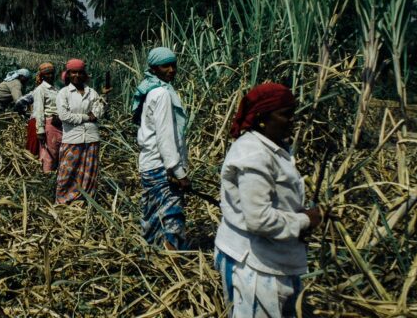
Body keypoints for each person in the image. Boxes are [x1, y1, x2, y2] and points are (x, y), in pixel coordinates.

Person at [214, 83, 322, 317]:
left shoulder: (271, 146)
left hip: (266, 257)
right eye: (285, 115)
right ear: (262, 118)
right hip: (254, 265)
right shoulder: (255, 155)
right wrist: (304, 220)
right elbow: (259, 220)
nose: (292, 121)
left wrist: (298, 219)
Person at [133, 47, 190, 250]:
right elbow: (165, 138)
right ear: (154, 68)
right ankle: (173, 263)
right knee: (171, 219)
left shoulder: (151, 91)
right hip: (162, 167)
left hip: (149, 164)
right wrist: (178, 171)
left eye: (174, 65)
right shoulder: (162, 94)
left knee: (153, 216)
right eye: (166, 66)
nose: (171, 70)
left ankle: (153, 256)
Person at [55, 59, 110, 204]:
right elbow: (64, 116)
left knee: (89, 173)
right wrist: (87, 116)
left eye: (80, 72)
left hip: (91, 137)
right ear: (68, 74)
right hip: (72, 137)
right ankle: (63, 201)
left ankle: (84, 201)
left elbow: (98, 113)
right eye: (73, 72)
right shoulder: (64, 93)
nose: (77, 75)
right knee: (67, 172)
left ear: (84, 74)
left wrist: (104, 97)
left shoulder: (92, 92)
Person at [0, 68, 31, 133]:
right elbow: (18, 100)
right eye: (26, 79)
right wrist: (25, 112)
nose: (26, 81)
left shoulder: (10, 81)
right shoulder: (17, 83)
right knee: (0, 129)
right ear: (21, 76)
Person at [32, 62, 62, 173]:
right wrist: (40, 130)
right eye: (47, 74)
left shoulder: (56, 89)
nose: (50, 76)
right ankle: (46, 175)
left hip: (59, 122)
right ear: (42, 75)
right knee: (49, 153)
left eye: (52, 73)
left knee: (58, 151)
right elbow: (39, 111)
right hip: (49, 123)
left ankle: (55, 175)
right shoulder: (40, 90)